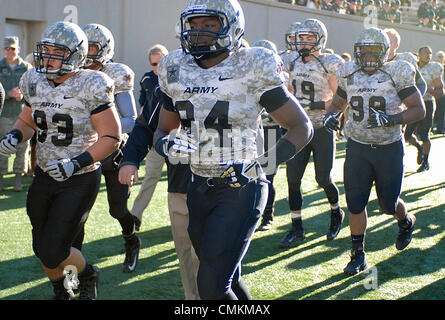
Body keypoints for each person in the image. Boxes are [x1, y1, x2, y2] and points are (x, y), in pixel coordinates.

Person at [152, 0, 313, 299]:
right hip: (197, 184)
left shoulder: (251, 64)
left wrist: (258, 167)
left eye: (209, 24)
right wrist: (168, 145)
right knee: (228, 279)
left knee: (212, 287)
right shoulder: (175, 67)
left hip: (240, 187)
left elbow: (302, 127)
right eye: (194, 24)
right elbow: (162, 129)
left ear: (232, 26)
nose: (198, 32)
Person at [0, 21, 121, 299]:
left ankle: (88, 273)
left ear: (76, 55)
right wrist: (16, 136)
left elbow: (111, 136)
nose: (49, 58)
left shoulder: (92, 82)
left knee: (55, 249)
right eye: (46, 51)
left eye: (58, 53)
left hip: (78, 177)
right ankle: (63, 289)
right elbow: (27, 121)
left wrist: (75, 162)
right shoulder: (33, 79)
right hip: (44, 174)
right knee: (42, 247)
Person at [323, 27, 425, 275]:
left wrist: (391, 119)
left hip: (388, 147)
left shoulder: (396, 71)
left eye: (374, 51)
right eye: (364, 51)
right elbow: (339, 100)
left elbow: (418, 109)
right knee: (355, 204)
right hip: (357, 146)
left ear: (386, 53)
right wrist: (331, 115)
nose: (368, 57)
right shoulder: (348, 72)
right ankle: (358, 255)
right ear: (357, 52)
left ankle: (405, 220)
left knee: (387, 205)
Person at [119, 84, 200, 300]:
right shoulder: (174, 78)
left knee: (214, 257)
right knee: (186, 254)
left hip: (228, 184)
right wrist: (130, 159)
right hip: (181, 180)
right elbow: (147, 125)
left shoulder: (243, 69)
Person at [73, 23, 140, 274]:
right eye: (83, 46)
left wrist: (95, 127)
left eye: (92, 47)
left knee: (118, 209)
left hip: (112, 150)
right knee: (78, 212)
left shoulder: (116, 73)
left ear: (105, 48)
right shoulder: (73, 72)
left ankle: (131, 241)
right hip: (82, 152)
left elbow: (130, 119)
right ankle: (74, 265)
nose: (87, 53)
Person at [280, 18, 345, 248]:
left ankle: (336, 213)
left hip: (321, 127)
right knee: (292, 179)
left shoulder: (329, 62)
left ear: (320, 39)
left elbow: (340, 97)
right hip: (298, 127)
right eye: (301, 38)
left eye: (309, 38)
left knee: (323, 178)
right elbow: (287, 90)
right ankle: (296, 227)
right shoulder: (291, 61)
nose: (304, 42)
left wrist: (320, 108)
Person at [130, 44, 169, 231]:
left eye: (161, 62)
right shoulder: (147, 79)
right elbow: (143, 108)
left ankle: (185, 221)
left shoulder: (179, 76)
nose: (158, 67)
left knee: (183, 184)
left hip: (178, 138)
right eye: (154, 64)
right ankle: (135, 216)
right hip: (156, 137)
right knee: (150, 177)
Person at [384, 28, 428, 167]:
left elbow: (421, 84)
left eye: (390, 41)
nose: (386, 43)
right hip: (381, 107)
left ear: (397, 45)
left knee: (400, 137)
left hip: (400, 108)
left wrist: (410, 103)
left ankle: (396, 168)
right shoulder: (375, 59)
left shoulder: (405, 59)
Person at [251, 39, 282, 231]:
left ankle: (268, 215)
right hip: (252, 132)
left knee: (268, 176)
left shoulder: (278, 78)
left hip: (270, 131)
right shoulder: (246, 77)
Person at [0, 36, 32, 191]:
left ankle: (18, 177)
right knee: (2, 146)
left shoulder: (26, 68)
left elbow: (34, 90)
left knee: (22, 147)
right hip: (4, 114)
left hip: (22, 114)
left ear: (18, 49)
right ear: (3, 50)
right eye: (7, 49)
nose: (10, 52)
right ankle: (1, 177)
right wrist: (7, 93)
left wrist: (22, 96)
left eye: (13, 48)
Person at [414, 46, 444, 171]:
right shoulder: (412, 65)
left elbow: (440, 91)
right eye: (425, 53)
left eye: (430, 53)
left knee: (425, 134)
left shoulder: (434, 68)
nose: (428, 55)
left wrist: (428, 89)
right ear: (419, 54)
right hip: (412, 103)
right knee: (406, 134)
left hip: (427, 103)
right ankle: (418, 147)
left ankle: (425, 162)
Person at [433, 50, 445, 133]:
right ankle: (430, 128)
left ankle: (440, 128)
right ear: (436, 58)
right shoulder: (432, 68)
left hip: (443, 93)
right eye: (439, 56)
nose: (440, 58)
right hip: (433, 92)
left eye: (442, 56)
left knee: (442, 111)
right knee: (434, 110)